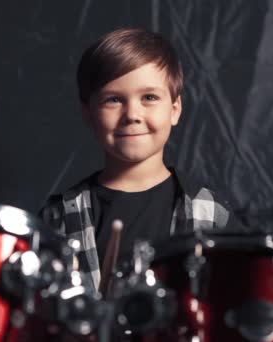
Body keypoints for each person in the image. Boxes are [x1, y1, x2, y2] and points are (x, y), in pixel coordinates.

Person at [39, 27, 237, 292]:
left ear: (174, 110)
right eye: (113, 100)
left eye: (149, 97)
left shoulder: (212, 215)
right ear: (88, 113)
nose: (132, 114)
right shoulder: (59, 218)